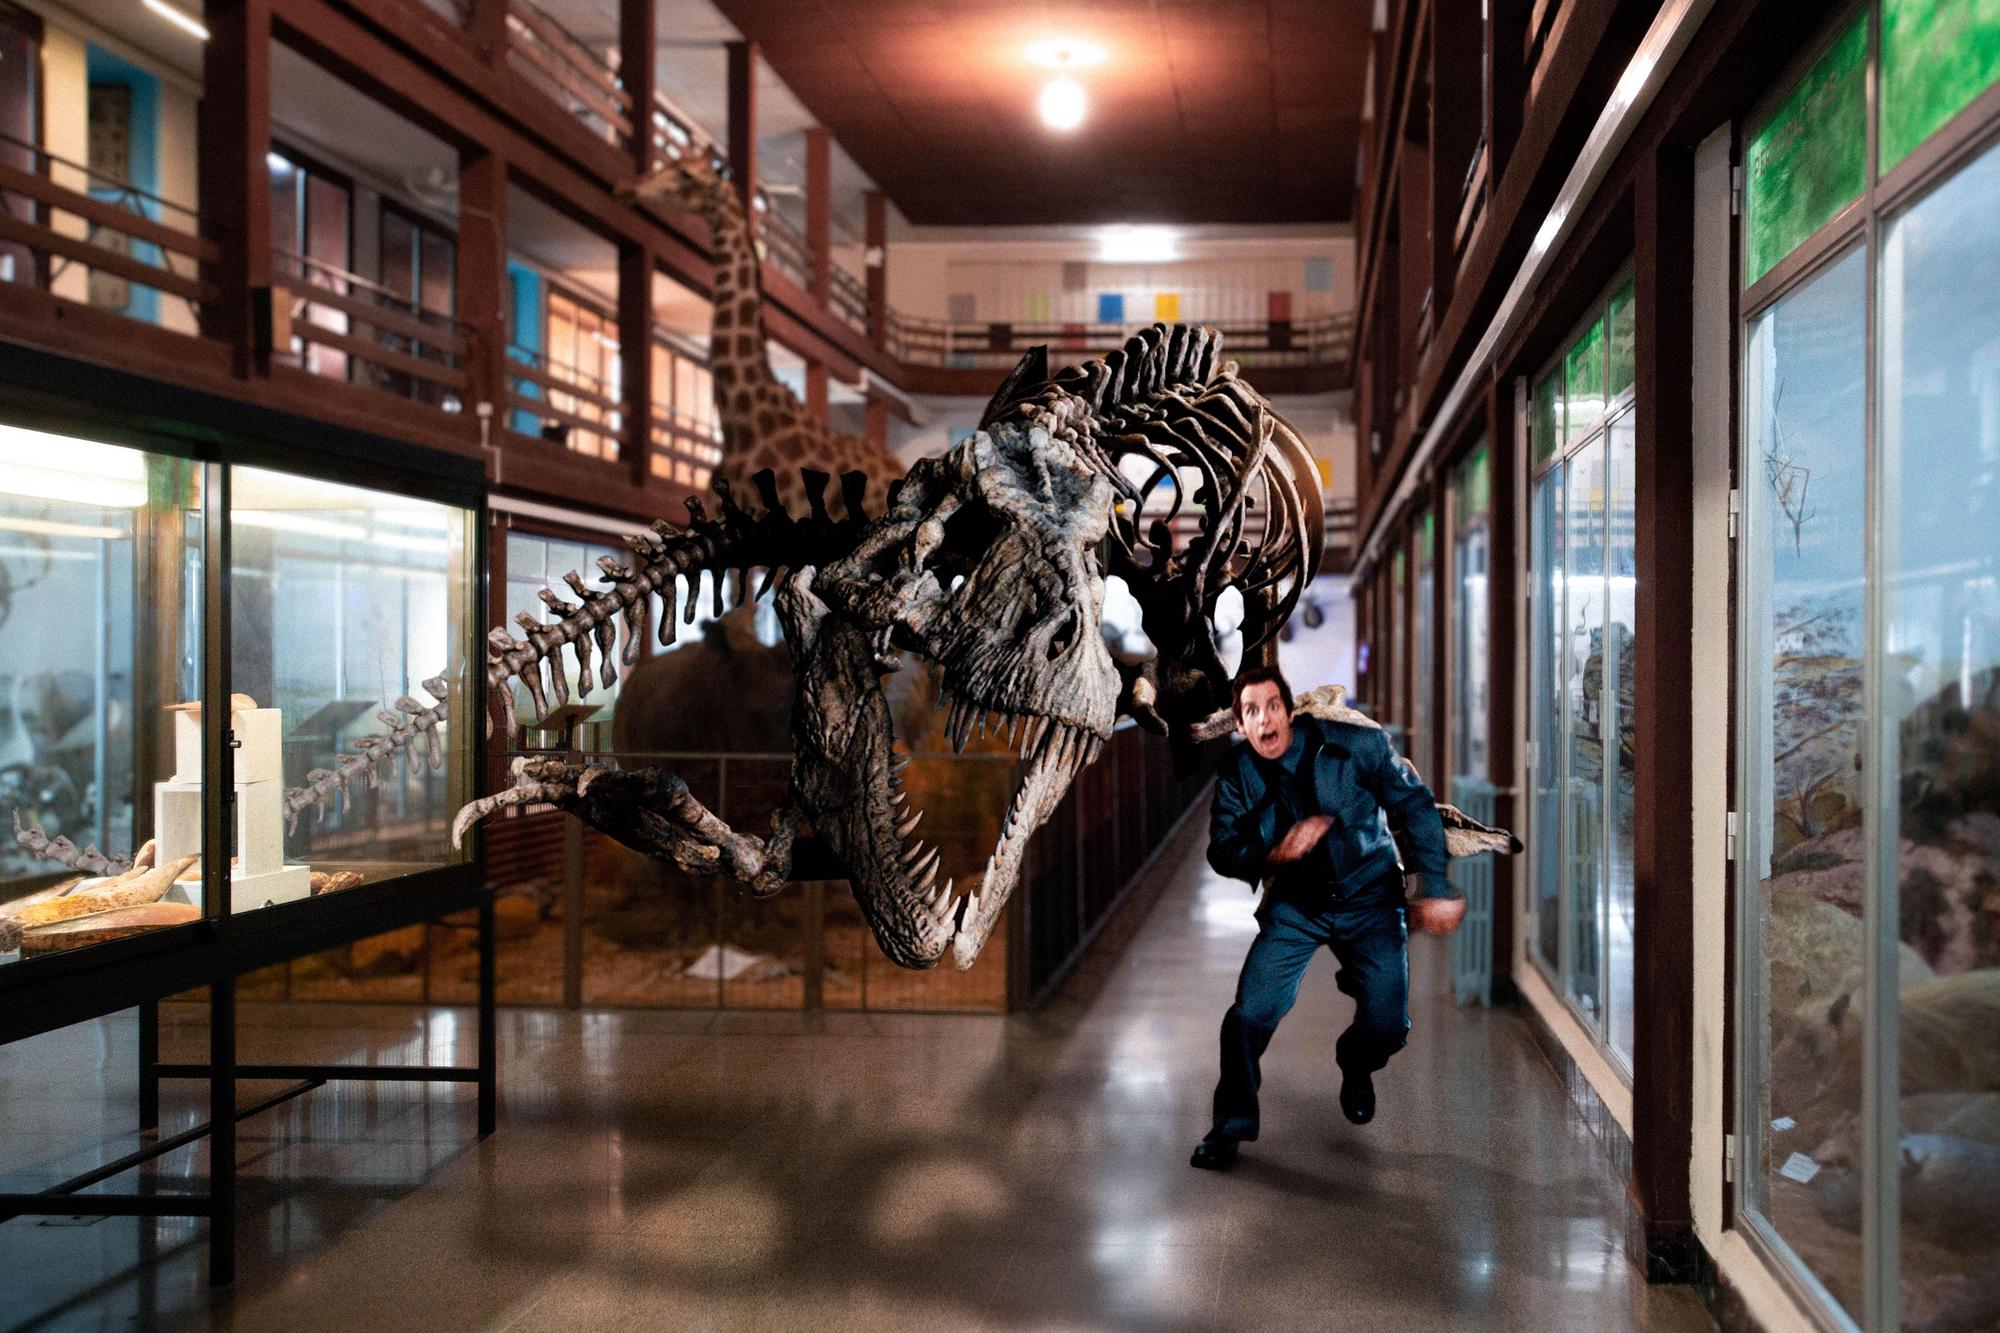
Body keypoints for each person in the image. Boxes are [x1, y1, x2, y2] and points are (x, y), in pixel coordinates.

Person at [1190, 664, 1453, 1171]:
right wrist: (1272, 851)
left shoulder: (1355, 746)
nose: (1264, 720)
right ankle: (1230, 1126)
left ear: (1289, 711)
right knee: (1250, 1014)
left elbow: (1415, 808)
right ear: (1240, 726)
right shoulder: (1237, 774)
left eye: (1271, 706)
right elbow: (1221, 849)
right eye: (1250, 712)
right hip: (1297, 906)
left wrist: (1435, 887)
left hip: (1371, 899)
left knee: (1387, 1025)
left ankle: (1356, 1062)